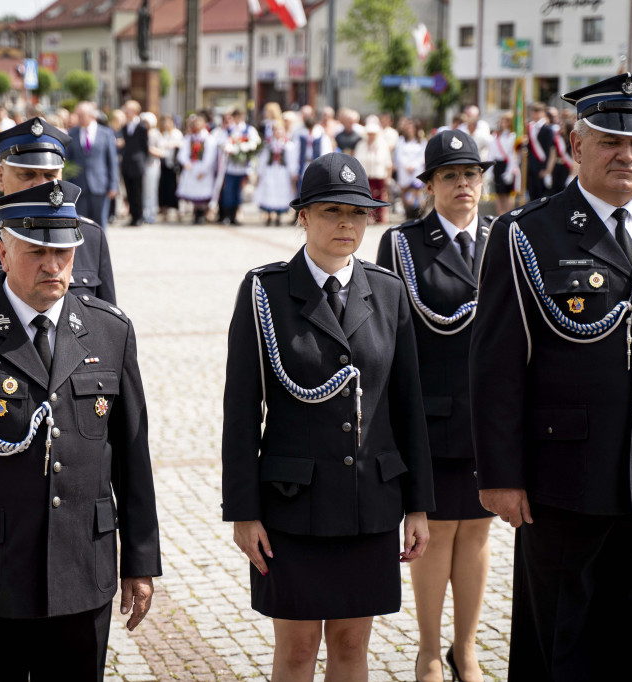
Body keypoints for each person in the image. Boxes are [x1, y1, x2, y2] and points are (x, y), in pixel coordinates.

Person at [470, 73, 632, 681]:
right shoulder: (526, 234)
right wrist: (502, 475)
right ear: (576, 146)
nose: (626, 155)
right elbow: (496, 366)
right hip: (564, 481)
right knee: (555, 644)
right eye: (609, 140)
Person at [0, 179, 161, 681]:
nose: (54, 265)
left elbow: (131, 458)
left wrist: (141, 561)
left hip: (84, 568)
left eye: (65, 251)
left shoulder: (109, 330)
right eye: (37, 250)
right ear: (2, 249)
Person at [222, 152, 434, 682]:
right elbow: (241, 410)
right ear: (303, 216)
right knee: (296, 649)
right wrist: (243, 512)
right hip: (293, 507)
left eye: (358, 213)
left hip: (369, 504)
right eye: (332, 210)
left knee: (350, 644)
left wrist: (419, 507)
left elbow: (408, 403)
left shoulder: (387, 291)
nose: (346, 224)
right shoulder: (264, 292)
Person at [376, 130, 495, 682]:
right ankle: (428, 649)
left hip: (489, 419)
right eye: (450, 176)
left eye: (471, 174)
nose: (464, 185)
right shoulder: (402, 245)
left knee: (477, 532)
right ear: (429, 186)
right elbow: (392, 336)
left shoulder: (503, 239)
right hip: (434, 416)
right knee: (439, 531)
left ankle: (465, 647)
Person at [0, 117, 116, 307]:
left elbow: (107, 326)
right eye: (27, 174)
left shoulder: (90, 236)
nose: (41, 184)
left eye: (50, 175)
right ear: (0, 177)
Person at [66, 101, 120, 228]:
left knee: (100, 223)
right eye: (77, 115)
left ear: (91, 116)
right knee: (81, 224)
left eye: (81, 116)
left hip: (100, 186)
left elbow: (111, 161)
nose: (78, 118)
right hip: (79, 186)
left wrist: (113, 185)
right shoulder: (72, 133)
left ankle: (100, 248)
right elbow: (68, 161)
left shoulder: (106, 133)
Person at [253, 107, 298, 226]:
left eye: (280, 130)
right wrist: (259, 173)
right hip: (270, 170)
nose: (278, 133)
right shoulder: (268, 145)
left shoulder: (288, 145)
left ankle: (278, 215)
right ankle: (268, 214)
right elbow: (262, 160)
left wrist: (293, 173)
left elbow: (291, 160)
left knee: (281, 191)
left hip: (282, 172)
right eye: (275, 131)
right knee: (269, 190)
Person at [217, 108, 260, 226]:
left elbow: (255, 143)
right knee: (228, 192)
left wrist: (244, 147)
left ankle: (235, 215)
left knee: (238, 193)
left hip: (243, 167)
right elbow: (221, 143)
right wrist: (230, 146)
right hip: (230, 167)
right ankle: (227, 215)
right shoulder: (229, 130)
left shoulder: (248, 129)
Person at [176, 114, 217, 224]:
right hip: (191, 167)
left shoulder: (208, 139)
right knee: (193, 191)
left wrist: (204, 170)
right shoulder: (189, 138)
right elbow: (182, 153)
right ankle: (196, 213)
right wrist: (185, 162)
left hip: (203, 168)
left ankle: (202, 213)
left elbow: (210, 156)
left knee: (203, 192)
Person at [353, 116, 393, 223]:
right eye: (369, 133)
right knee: (366, 197)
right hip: (365, 176)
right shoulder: (361, 145)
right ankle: (367, 217)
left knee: (380, 197)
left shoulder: (382, 145)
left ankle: (380, 218)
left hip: (379, 175)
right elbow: (357, 161)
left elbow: (388, 163)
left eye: (373, 133)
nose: (371, 136)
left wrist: (388, 177)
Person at [120, 100, 149, 226]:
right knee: (129, 191)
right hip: (127, 163)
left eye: (128, 109)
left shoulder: (142, 126)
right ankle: (133, 215)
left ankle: (139, 216)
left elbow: (145, 146)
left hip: (137, 163)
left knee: (138, 191)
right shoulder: (125, 127)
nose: (126, 112)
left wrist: (142, 160)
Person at [394, 118, 427, 220]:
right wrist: (406, 166)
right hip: (404, 171)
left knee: (418, 191)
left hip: (416, 170)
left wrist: (414, 165)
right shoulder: (401, 141)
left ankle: (419, 213)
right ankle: (407, 214)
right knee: (405, 192)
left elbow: (423, 156)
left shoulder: (421, 141)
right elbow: (398, 156)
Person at [491, 112, 519, 215]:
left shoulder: (513, 136)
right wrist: (490, 171)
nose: (503, 123)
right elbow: (492, 153)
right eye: (502, 120)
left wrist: (509, 171)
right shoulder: (496, 135)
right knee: (498, 193)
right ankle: (499, 215)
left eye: (506, 120)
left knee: (507, 194)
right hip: (497, 165)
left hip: (508, 165)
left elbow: (513, 155)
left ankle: (508, 215)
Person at [525, 102, 553, 201]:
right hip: (530, 165)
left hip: (541, 165)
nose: (535, 114)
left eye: (538, 111)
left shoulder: (547, 129)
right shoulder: (528, 128)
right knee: (531, 193)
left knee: (541, 195)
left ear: (543, 113)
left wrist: (546, 169)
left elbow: (550, 150)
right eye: (533, 111)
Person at [157, 115, 183, 222]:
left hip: (174, 165)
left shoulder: (176, 133)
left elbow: (180, 144)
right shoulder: (163, 134)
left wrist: (170, 145)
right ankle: (164, 209)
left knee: (174, 188)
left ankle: (177, 211)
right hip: (164, 164)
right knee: (163, 187)